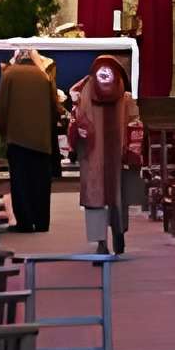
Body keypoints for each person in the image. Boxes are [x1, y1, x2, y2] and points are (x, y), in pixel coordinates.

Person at [68, 54, 143, 255]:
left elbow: (75, 119)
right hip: (104, 156)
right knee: (109, 198)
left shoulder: (87, 92)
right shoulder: (119, 97)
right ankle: (108, 238)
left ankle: (109, 239)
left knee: (104, 198)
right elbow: (135, 125)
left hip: (100, 157)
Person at [0, 46, 58, 232]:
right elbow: (53, 107)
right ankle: (42, 222)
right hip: (42, 140)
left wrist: (4, 133)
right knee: (41, 181)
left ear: (17, 58)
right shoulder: (43, 76)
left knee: (21, 182)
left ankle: (25, 222)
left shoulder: (9, 74)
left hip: (18, 138)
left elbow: (1, 108)